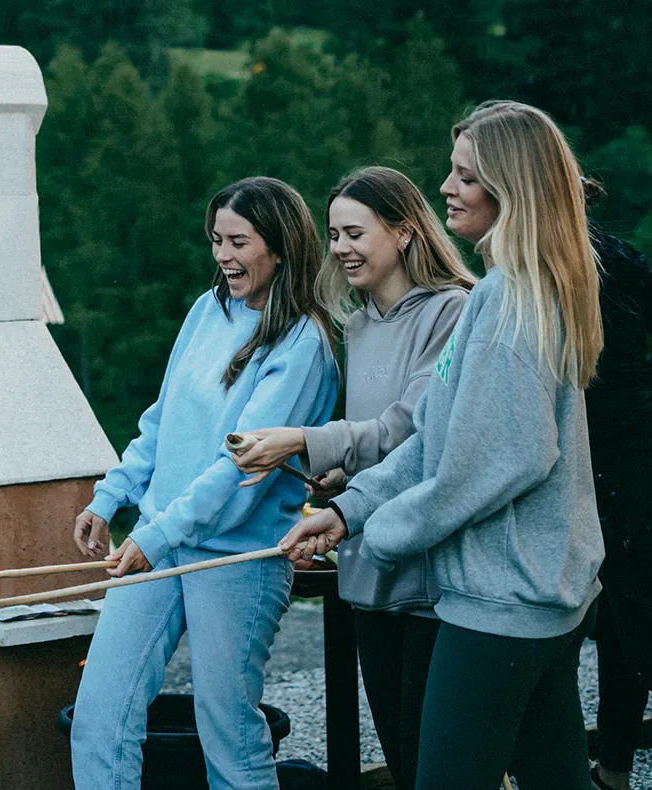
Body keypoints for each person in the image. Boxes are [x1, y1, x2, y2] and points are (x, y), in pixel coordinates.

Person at [280, 100, 605, 790]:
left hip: (503, 605)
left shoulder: (510, 301)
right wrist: (350, 511)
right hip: (535, 597)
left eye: (466, 177)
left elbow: (505, 459)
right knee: (556, 779)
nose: (447, 190)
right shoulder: (511, 292)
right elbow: (438, 435)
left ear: (510, 189)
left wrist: (387, 530)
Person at [69, 177, 340, 789]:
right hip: (158, 542)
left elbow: (240, 465)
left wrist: (157, 534)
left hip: (238, 559)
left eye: (238, 241)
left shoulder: (305, 342)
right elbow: (162, 422)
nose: (223, 255)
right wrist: (110, 496)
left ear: (280, 246)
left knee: (230, 737)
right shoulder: (206, 308)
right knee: (98, 718)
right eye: (216, 239)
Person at [229, 165, 477, 790]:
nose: (339, 248)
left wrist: (307, 441)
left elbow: (412, 428)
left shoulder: (454, 312)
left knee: (438, 760)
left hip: (432, 574)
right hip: (368, 566)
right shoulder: (360, 322)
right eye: (334, 233)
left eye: (354, 233)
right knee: (398, 747)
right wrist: (335, 475)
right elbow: (370, 438)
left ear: (404, 232)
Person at [582, 210, 652, 790]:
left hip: (615, 448)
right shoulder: (617, 253)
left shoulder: (591, 260)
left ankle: (613, 766)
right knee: (626, 614)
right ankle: (614, 763)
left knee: (627, 614)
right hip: (617, 440)